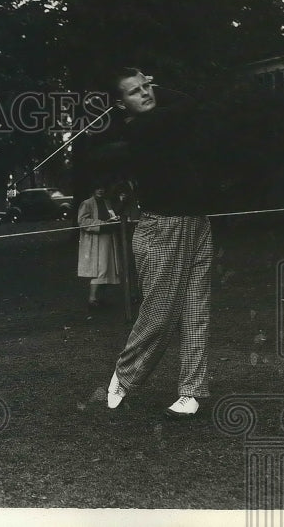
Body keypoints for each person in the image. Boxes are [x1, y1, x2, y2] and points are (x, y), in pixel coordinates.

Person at [100, 67, 215, 419]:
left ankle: (191, 392)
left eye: (147, 86)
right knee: (161, 315)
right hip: (163, 229)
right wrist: (161, 86)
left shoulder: (159, 123)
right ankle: (125, 374)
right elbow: (188, 105)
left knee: (197, 310)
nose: (146, 93)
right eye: (135, 91)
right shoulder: (145, 128)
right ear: (121, 105)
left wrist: (147, 85)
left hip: (196, 223)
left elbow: (188, 109)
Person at [77, 185, 120, 310]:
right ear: (93, 190)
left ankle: (101, 298)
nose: (100, 190)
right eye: (97, 188)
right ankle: (92, 298)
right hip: (96, 240)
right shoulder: (86, 203)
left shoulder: (107, 203)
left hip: (108, 239)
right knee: (100, 269)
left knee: (108, 268)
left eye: (102, 188)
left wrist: (113, 220)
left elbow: (111, 216)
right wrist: (101, 224)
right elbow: (82, 221)